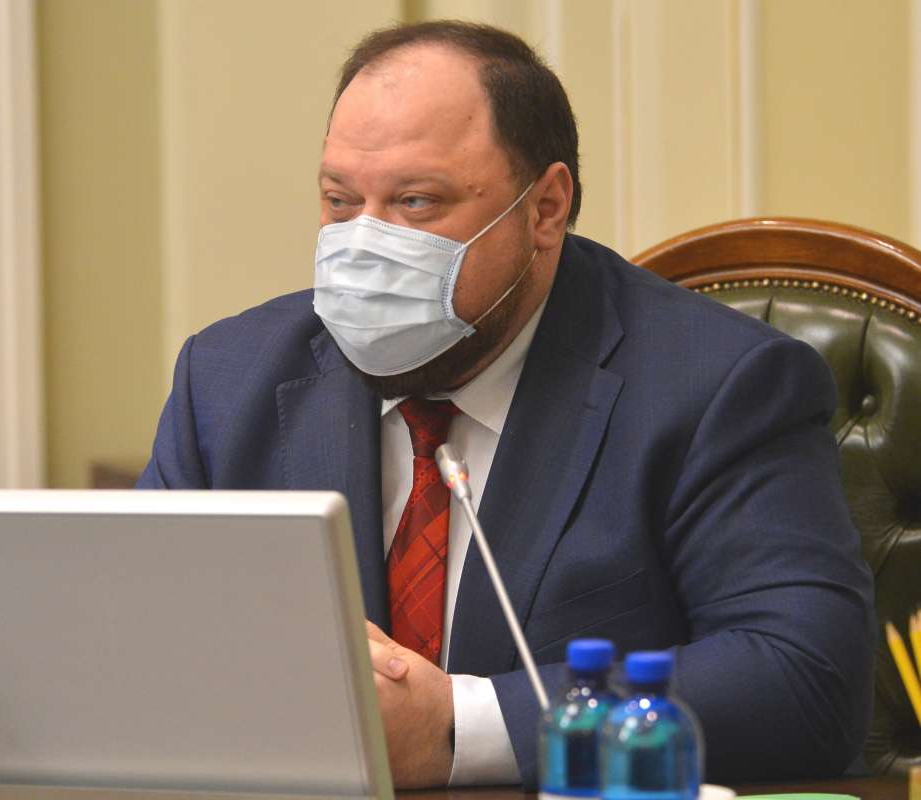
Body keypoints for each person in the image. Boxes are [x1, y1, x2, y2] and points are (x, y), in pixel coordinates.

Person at [137, 20, 874, 790]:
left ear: (545, 207)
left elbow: (803, 681)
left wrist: (457, 726)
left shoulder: (718, 385)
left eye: (416, 201)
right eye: (339, 200)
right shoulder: (228, 379)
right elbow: (138, 638)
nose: (364, 244)